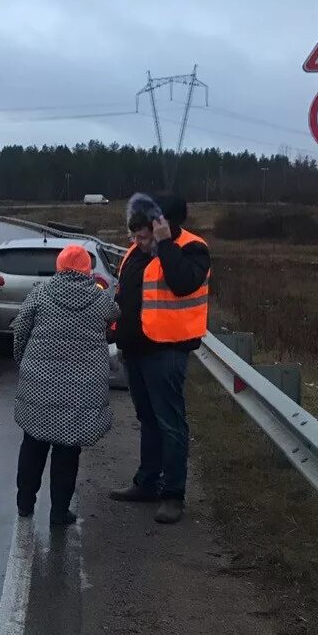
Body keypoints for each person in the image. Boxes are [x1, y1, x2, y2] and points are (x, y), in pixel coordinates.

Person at [110, 193, 211, 524]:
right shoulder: (133, 253)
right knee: (148, 420)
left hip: (166, 351)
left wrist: (165, 244)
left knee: (170, 423)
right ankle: (147, 482)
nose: (138, 242)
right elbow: (125, 296)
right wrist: (114, 332)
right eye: (134, 235)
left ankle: (173, 494)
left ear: (163, 227)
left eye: (144, 235)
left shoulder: (192, 249)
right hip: (136, 352)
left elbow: (182, 284)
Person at [11, 245, 120, 524]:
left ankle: (25, 503)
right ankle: (59, 512)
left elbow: (21, 329)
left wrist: (23, 362)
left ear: (59, 266)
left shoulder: (41, 292)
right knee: (68, 451)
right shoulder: (99, 299)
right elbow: (115, 317)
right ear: (87, 268)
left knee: (33, 444)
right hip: (81, 389)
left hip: (39, 383)